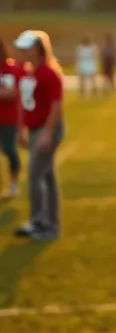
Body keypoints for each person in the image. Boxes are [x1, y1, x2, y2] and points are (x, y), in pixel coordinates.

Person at [13, 30, 65, 241]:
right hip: (35, 129)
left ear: (37, 50)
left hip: (46, 129)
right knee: (47, 177)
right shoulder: (28, 73)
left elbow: (56, 105)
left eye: (26, 48)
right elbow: (23, 104)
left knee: (36, 175)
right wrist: (20, 130)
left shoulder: (49, 73)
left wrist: (47, 132)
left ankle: (40, 222)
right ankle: (49, 223)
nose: (22, 52)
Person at [0, 39, 25, 199]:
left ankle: (14, 183)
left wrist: (6, 94)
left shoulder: (13, 69)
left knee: (9, 150)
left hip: (9, 119)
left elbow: (14, 93)